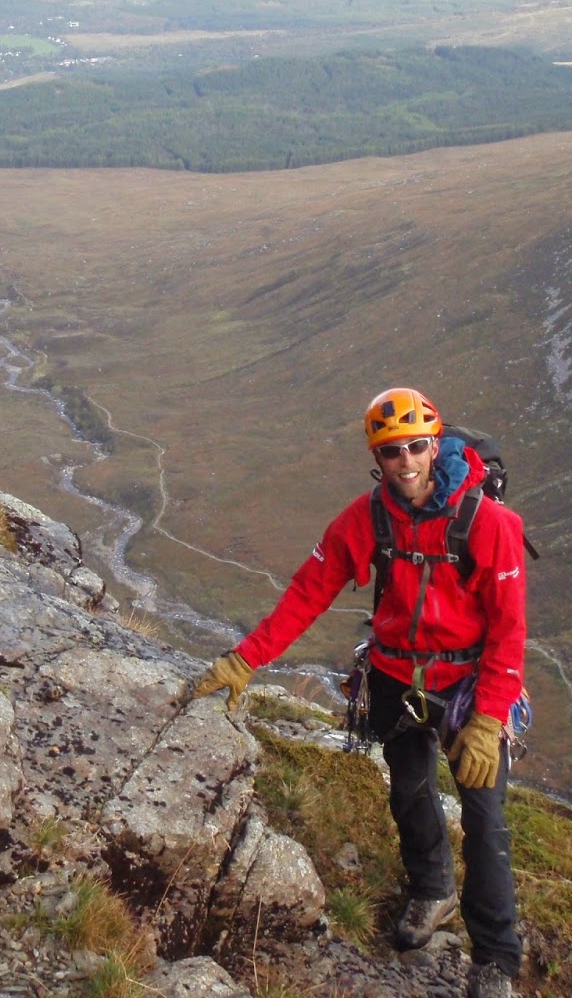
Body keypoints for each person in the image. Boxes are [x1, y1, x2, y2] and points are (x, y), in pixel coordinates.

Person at [191, 386, 527, 998]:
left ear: (435, 445)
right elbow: (309, 591)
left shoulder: (490, 523)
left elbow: (509, 629)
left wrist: (489, 717)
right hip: (395, 676)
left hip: (468, 687)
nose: (406, 461)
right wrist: (246, 659)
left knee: (485, 821)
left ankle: (496, 960)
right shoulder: (367, 518)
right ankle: (432, 891)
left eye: (416, 447)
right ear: (378, 457)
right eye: (392, 451)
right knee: (409, 791)